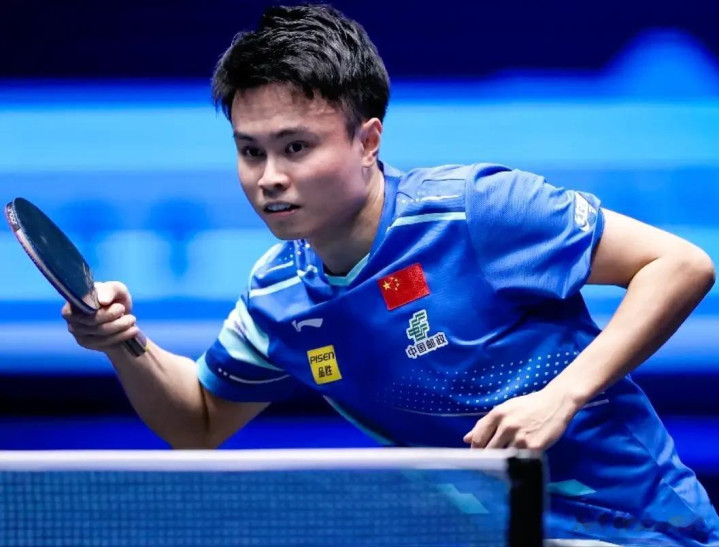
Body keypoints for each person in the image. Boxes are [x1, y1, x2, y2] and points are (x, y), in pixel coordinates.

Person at [62, 4, 719, 544]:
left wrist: (563, 395)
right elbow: (198, 422)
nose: (269, 178)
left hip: (642, 527)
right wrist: (124, 341)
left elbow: (679, 264)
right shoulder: (281, 298)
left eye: (296, 147)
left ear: (368, 140)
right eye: (250, 151)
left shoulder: (477, 211)